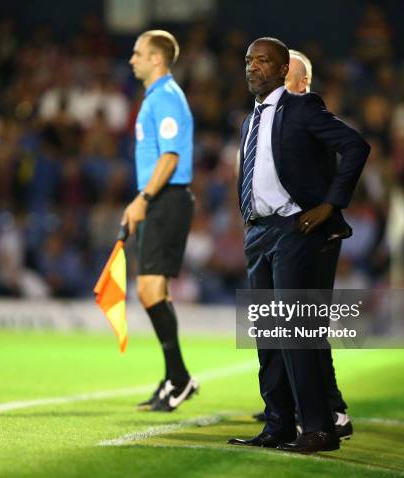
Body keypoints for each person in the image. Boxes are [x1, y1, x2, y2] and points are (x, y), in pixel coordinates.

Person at [227, 38, 369, 453]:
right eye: (249, 60)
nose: (253, 67)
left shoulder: (302, 107)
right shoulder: (249, 119)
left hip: (295, 228)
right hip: (259, 231)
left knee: (294, 329)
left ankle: (320, 428)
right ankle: (278, 426)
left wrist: (330, 204)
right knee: (267, 334)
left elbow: (356, 146)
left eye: (263, 61)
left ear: (283, 67)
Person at [251, 49, 353, 441]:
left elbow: (342, 157)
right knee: (284, 323)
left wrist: (328, 209)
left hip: (314, 233)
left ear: (300, 81)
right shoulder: (271, 119)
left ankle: (331, 410)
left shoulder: (309, 113)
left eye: (284, 76)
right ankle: (293, 408)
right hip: (284, 231)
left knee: (305, 323)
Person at [123, 30, 198, 412]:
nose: (131, 59)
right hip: (161, 200)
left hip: (167, 199)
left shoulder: (166, 98)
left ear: (157, 59)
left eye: (138, 53)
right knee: (156, 292)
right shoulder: (156, 98)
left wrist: (143, 199)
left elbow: (169, 158)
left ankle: (180, 379)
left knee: (150, 290)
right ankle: (175, 378)